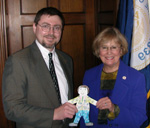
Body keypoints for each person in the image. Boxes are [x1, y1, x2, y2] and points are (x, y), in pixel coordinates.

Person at [2, 7, 77, 128]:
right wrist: (53, 114)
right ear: (34, 27)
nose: (51, 32)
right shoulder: (18, 61)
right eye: (45, 26)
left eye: (57, 28)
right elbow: (12, 109)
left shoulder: (66, 60)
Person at [80, 27, 147, 128]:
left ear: (121, 50)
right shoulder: (89, 75)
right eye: (104, 47)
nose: (109, 52)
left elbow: (139, 118)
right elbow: (83, 114)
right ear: (98, 51)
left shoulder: (136, 78)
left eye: (114, 47)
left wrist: (114, 109)